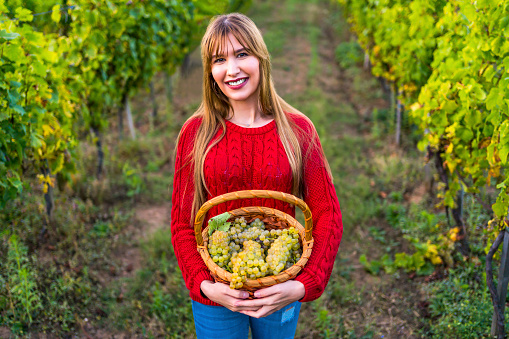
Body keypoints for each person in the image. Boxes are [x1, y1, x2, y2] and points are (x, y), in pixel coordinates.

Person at [170, 12, 343, 339]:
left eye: (242, 54)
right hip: (219, 289)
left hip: (278, 284)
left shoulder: (298, 131)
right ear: (210, 71)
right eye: (219, 59)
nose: (232, 69)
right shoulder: (196, 133)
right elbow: (182, 221)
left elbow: (327, 214)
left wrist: (301, 286)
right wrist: (206, 285)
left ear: (261, 59)